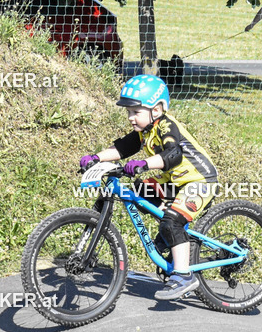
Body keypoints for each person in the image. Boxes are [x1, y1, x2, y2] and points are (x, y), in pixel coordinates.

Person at [79, 75, 218, 301]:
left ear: (157, 109)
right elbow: (123, 148)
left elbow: (173, 154)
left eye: (136, 111)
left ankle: (184, 275)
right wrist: (96, 157)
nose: (130, 117)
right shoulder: (145, 131)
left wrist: (143, 164)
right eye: (128, 112)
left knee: (172, 221)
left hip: (199, 181)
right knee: (139, 191)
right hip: (174, 181)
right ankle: (169, 236)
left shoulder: (166, 126)